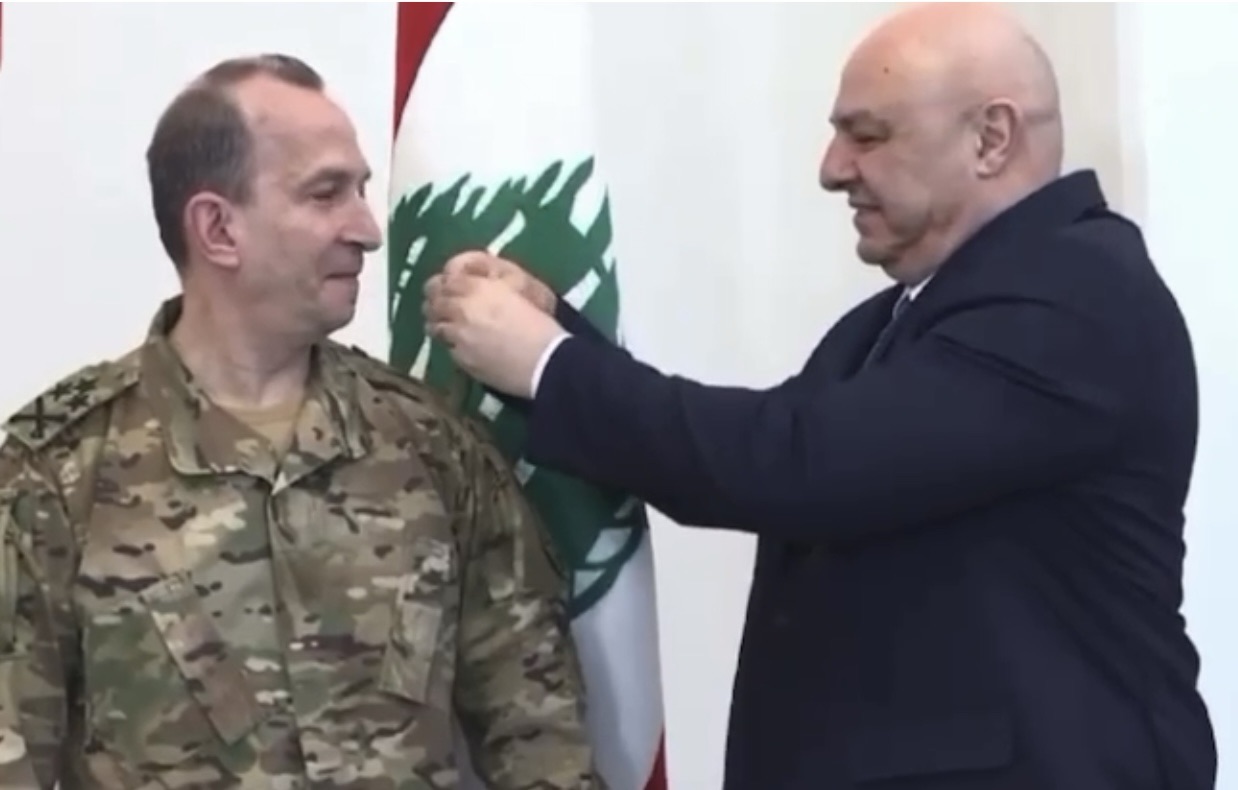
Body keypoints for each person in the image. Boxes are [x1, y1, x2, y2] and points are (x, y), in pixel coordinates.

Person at [423, 4, 1216, 790]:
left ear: (991, 138)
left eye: (868, 136)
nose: (832, 169)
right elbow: (787, 448)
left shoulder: (1076, 295)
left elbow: (792, 466)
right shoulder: (902, 319)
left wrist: (551, 364)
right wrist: (553, 330)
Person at [0, 54, 602, 789]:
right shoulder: (53, 475)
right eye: (326, 194)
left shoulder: (432, 447)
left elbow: (541, 738)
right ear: (218, 228)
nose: (369, 230)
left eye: (362, 190)